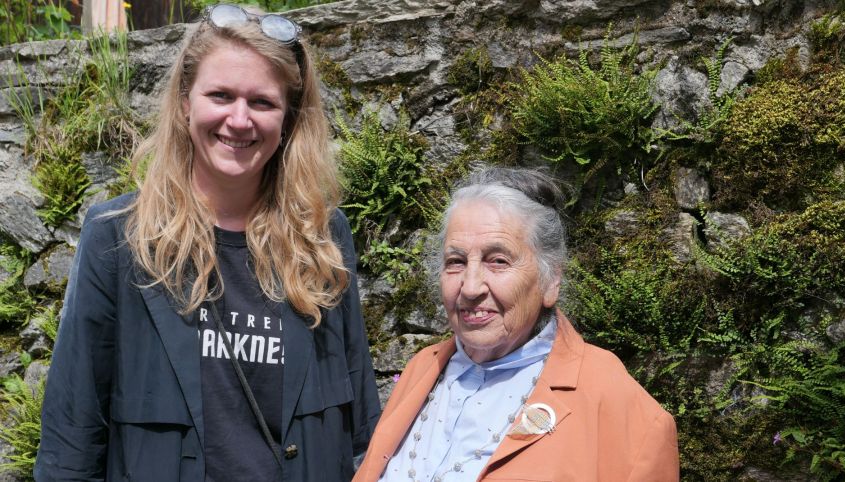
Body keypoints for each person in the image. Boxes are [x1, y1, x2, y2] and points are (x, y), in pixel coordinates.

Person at [35, 4, 380, 481]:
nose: (239, 120)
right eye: (220, 95)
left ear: (288, 118)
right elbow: (70, 443)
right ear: (185, 102)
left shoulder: (322, 238)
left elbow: (364, 432)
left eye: (262, 102)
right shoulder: (118, 238)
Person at [353, 167, 679, 482]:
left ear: (551, 280)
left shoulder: (614, 402)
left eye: (498, 261)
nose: (470, 287)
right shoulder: (423, 369)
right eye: (456, 262)